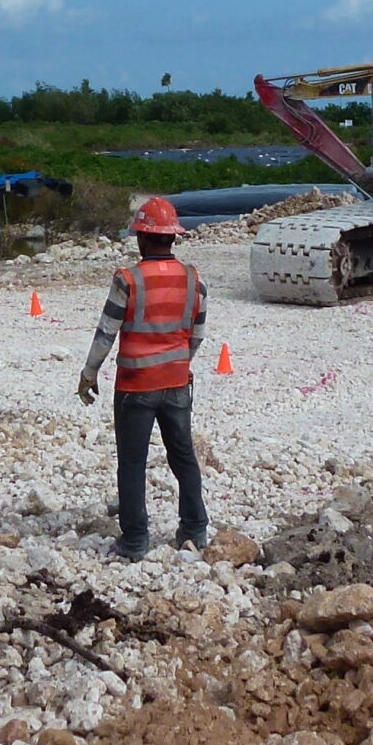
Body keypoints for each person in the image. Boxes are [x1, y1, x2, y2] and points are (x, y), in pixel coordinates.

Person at [78, 195, 210, 560]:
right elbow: (196, 335)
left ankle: (135, 540)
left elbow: (107, 331)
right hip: (177, 383)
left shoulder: (128, 279)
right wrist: (180, 365)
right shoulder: (193, 279)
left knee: (133, 463)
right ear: (172, 237)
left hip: (136, 386)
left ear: (142, 237)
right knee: (183, 456)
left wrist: (89, 373)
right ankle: (195, 529)